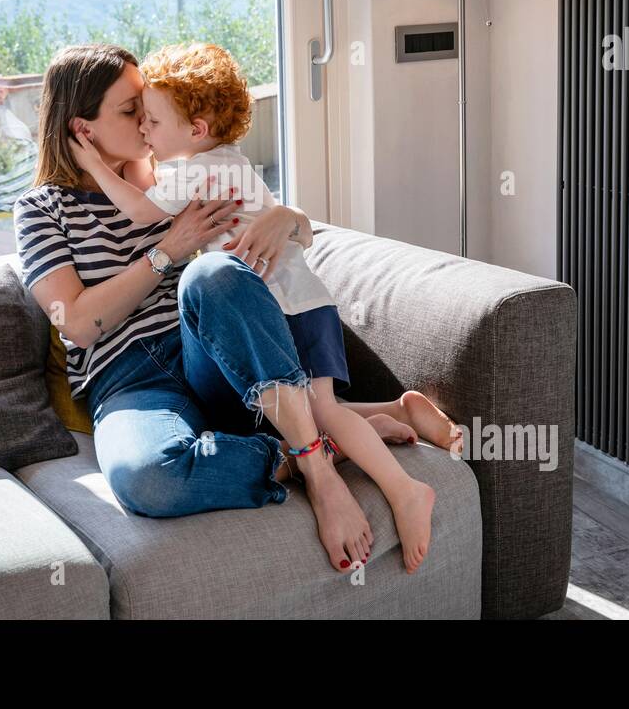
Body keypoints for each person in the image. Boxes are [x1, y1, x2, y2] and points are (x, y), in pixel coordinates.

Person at [68, 41, 462, 574]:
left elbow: (285, 228)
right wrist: (169, 251)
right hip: (167, 370)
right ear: (81, 126)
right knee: (152, 475)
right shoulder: (61, 205)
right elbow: (76, 323)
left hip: (233, 340)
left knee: (213, 274)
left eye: (149, 115)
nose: (143, 127)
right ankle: (370, 421)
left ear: (195, 126)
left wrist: (291, 217)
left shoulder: (183, 172)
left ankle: (339, 473)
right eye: (131, 112)